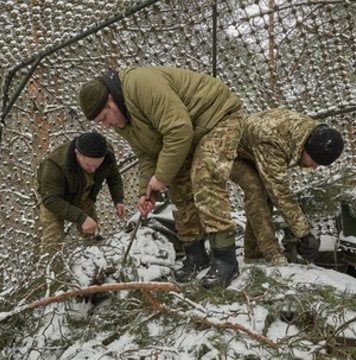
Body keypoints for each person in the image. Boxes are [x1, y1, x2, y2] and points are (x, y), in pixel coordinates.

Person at [78, 66, 243, 288]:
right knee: (179, 188)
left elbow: (178, 129)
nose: (105, 126)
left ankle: (225, 259)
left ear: (110, 100)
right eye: (100, 123)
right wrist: (147, 190)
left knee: (205, 177)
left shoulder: (141, 84)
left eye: (104, 117)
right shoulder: (122, 119)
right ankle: (195, 255)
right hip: (190, 134)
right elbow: (147, 153)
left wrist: (162, 176)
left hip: (217, 118)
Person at [230, 108, 344, 266]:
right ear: (308, 148)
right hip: (229, 150)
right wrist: (304, 233)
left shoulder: (307, 133)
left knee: (267, 192)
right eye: (315, 161)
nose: (314, 167)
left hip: (253, 149)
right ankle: (270, 254)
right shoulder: (274, 141)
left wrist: (302, 232)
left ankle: (254, 254)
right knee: (256, 189)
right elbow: (280, 193)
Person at [36, 132, 126, 261]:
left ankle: (98, 264)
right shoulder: (54, 164)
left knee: (93, 233)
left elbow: (114, 176)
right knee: (53, 238)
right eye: (88, 165)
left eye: (97, 165)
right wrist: (81, 217)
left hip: (83, 193)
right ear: (77, 153)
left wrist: (118, 200)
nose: (93, 170)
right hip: (54, 198)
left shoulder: (107, 154)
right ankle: (51, 274)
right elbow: (50, 199)